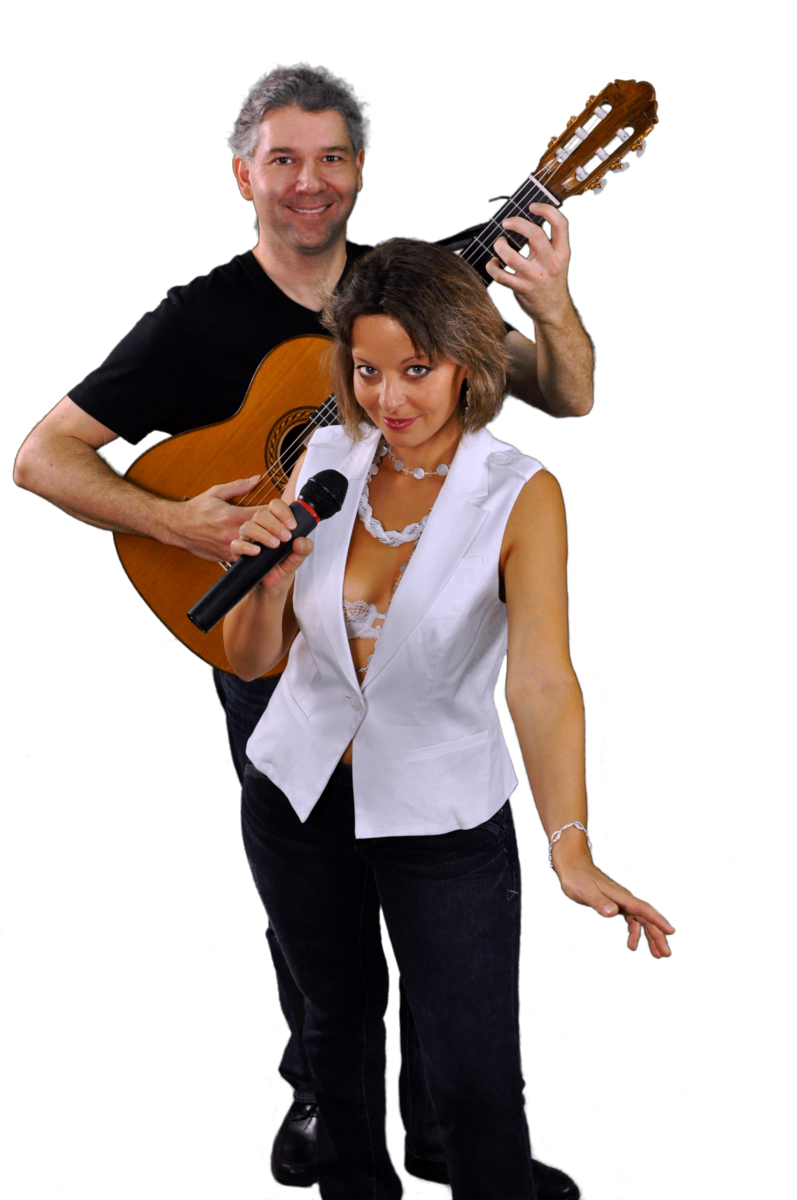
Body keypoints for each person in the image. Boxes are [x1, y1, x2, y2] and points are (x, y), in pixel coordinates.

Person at [11, 63, 597, 1196]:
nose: (308, 182)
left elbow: (560, 395)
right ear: (243, 175)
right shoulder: (200, 315)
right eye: (281, 159)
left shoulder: (410, 296)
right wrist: (179, 519)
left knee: (442, 936)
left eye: (331, 157)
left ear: (360, 170)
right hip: (281, 666)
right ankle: (327, 1115)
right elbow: (43, 456)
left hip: (414, 673)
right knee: (319, 941)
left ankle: (447, 1135)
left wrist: (555, 306)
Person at [222, 235, 675, 1200]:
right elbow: (255, 659)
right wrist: (269, 581)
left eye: (416, 370)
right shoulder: (326, 458)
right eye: (368, 370)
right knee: (333, 1040)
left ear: (468, 362)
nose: (390, 399)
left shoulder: (516, 494)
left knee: (473, 1068)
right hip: (294, 795)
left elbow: (540, 680)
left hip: (440, 815)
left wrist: (569, 847)